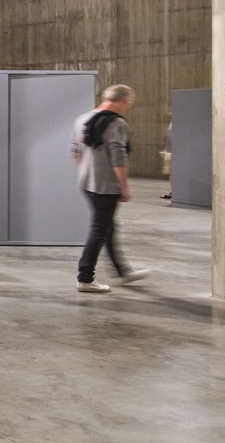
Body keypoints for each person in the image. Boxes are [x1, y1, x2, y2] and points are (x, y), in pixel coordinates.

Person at [70, 84, 152, 293]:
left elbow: (75, 151)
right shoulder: (116, 123)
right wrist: (124, 187)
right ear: (123, 101)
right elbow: (118, 158)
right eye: (128, 103)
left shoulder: (83, 119)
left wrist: (88, 170)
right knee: (100, 230)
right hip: (106, 186)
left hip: (86, 183)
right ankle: (85, 278)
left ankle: (123, 272)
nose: (127, 107)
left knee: (107, 227)